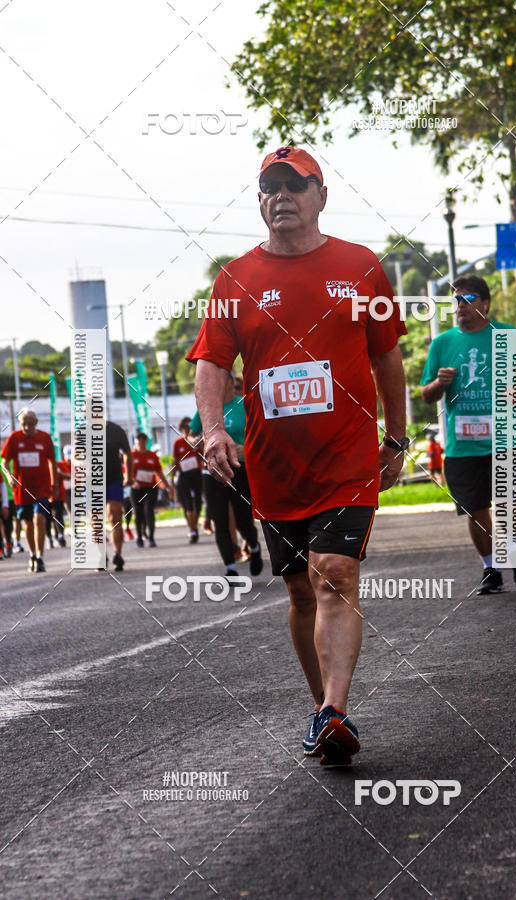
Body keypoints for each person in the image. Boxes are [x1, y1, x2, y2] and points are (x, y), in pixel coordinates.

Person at [187, 146, 407, 765]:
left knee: (333, 571)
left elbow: (387, 355)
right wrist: (213, 430)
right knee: (299, 589)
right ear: (259, 201)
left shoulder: (362, 267)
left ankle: (337, 709)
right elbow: (211, 364)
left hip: (347, 454)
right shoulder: (234, 279)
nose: (279, 195)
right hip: (275, 464)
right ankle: (321, 710)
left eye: (293, 184)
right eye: (268, 187)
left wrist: (396, 435)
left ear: (321, 195)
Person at [420, 273, 516, 596]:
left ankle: (515, 554)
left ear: (485, 303)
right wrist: (439, 384)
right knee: (475, 508)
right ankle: (490, 568)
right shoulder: (443, 344)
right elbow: (426, 395)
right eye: (455, 300)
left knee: (508, 502)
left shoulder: (509, 335)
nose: (460, 305)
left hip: (504, 438)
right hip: (462, 445)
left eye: (468, 299)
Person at [189, 372, 263, 577]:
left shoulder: (245, 405)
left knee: (243, 520)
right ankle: (230, 568)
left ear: (231, 383)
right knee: (219, 521)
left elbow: (259, 435)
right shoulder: (207, 409)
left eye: (223, 380)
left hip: (239, 469)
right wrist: (193, 441)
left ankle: (254, 546)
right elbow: (192, 434)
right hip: (212, 470)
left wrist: (245, 447)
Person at [0, 407, 58, 572]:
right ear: (20, 424)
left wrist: (54, 485)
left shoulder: (45, 438)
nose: (27, 427)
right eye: (24, 424)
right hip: (22, 490)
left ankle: (40, 557)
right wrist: (9, 476)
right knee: (27, 525)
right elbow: (3, 462)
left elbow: (52, 462)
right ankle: (32, 554)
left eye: (30, 424)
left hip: (41, 488)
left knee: (39, 519)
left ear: (36, 423)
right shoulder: (14, 438)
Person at [131, 432, 172, 548]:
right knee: (138, 513)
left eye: (143, 443)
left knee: (149, 511)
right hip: (136, 488)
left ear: (146, 443)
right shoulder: (131, 455)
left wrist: (167, 485)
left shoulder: (152, 456)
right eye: (138, 443)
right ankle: (139, 537)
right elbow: (126, 473)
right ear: (136, 443)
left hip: (150, 488)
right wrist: (133, 482)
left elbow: (159, 472)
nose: (141, 445)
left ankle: (151, 538)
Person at [105, 419, 133, 571]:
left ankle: (117, 554)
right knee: (96, 520)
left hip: (114, 479)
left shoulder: (116, 430)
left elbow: (127, 453)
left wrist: (128, 475)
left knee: (114, 515)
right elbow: (77, 456)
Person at [172, 416, 205, 544]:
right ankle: (193, 530)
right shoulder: (178, 443)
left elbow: (203, 456)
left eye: (190, 427)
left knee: (198, 503)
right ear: (181, 429)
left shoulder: (197, 442)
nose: (188, 430)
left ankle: (194, 526)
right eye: (185, 428)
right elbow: (175, 461)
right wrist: (172, 480)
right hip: (184, 476)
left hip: (196, 474)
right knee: (188, 504)